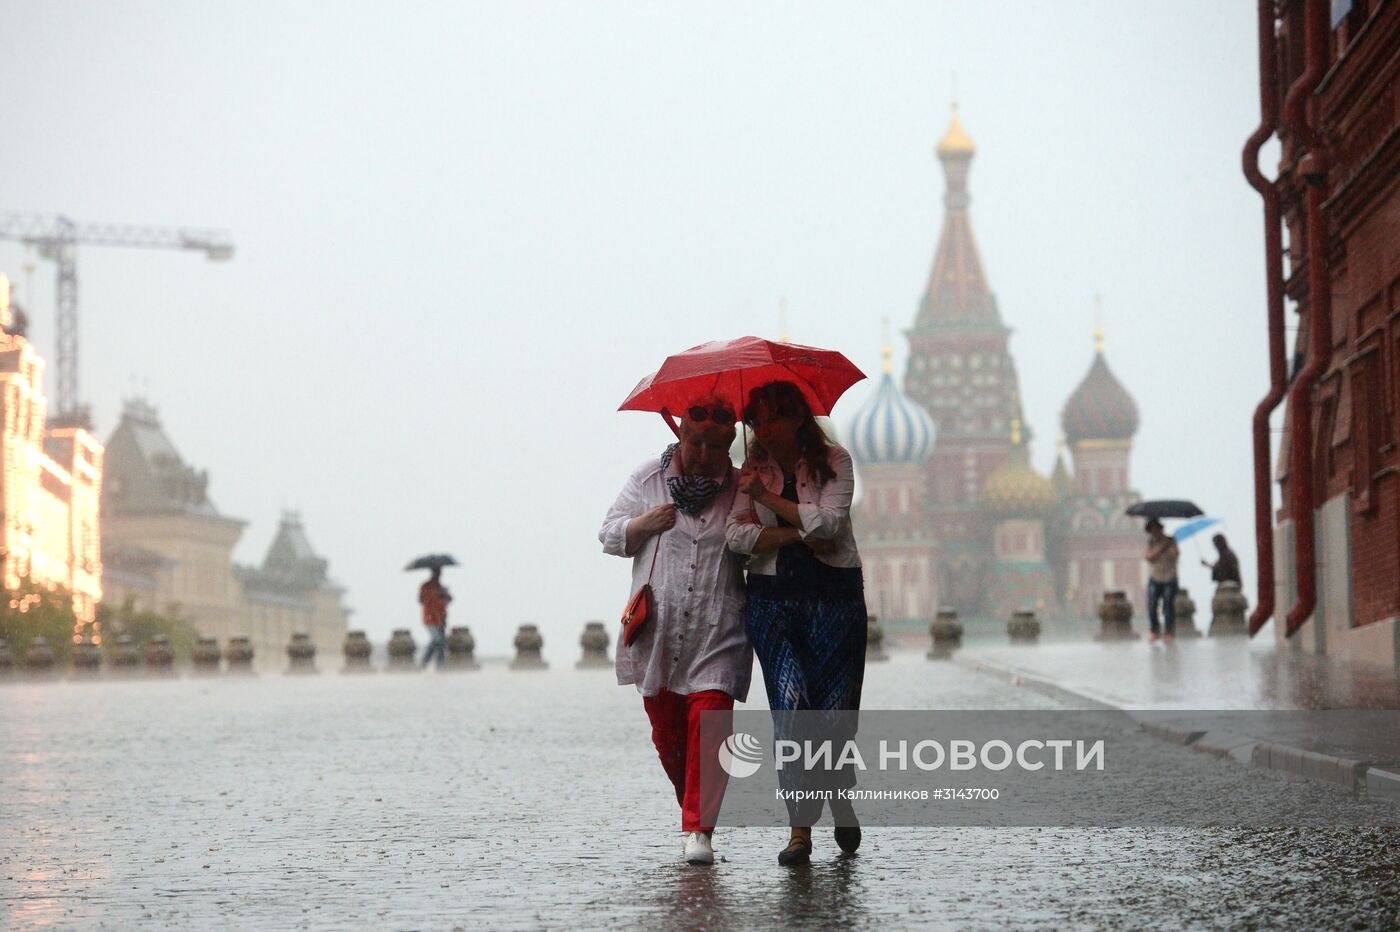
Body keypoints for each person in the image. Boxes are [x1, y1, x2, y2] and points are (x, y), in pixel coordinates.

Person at [599, 399, 750, 867]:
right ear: (680, 436)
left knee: (712, 724)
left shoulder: (742, 487)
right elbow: (608, 534)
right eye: (695, 442)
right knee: (668, 739)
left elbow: (752, 542)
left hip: (716, 629)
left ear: (729, 445)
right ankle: (694, 808)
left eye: (714, 446)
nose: (703, 453)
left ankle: (699, 829)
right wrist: (645, 523)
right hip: (658, 634)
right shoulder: (649, 478)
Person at [726, 379, 866, 866]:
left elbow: (830, 527)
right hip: (772, 604)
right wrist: (793, 533)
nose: (765, 428)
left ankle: (839, 789)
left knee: (831, 716)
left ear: (797, 420)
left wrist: (771, 501)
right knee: (790, 710)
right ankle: (799, 831)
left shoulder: (835, 462)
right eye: (757, 419)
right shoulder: (749, 472)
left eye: (774, 417)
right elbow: (737, 537)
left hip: (834, 602)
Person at [1143, 519, 1180, 643]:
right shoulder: (1151, 542)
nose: (1154, 533)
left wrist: (1168, 546)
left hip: (1169, 577)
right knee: (1152, 605)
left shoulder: (1171, 541)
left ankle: (1169, 632)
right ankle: (1155, 630)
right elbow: (1149, 557)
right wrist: (1160, 547)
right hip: (1155, 577)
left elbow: (1175, 555)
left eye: (1155, 530)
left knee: (1168, 605)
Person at [419, 567, 451, 668]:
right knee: (437, 640)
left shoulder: (441, 587)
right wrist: (434, 595)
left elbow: (448, 600)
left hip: (441, 617)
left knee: (441, 642)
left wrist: (445, 595)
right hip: (430, 618)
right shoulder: (426, 586)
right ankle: (424, 662)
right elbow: (421, 600)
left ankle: (439, 664)